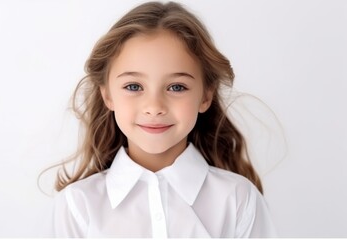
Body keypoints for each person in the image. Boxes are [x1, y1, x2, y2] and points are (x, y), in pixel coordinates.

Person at [44, 1, 277, 237]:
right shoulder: (77, 205)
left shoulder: (238, 200)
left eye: (176, 87)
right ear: (107, 95)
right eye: (134, 86)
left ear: (206, 95)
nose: (154, 107)